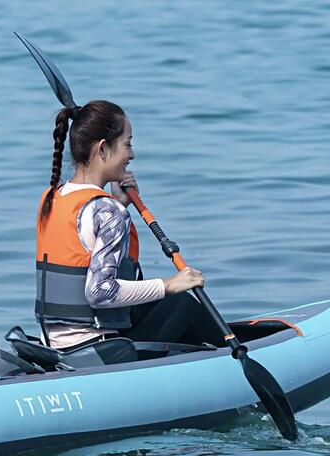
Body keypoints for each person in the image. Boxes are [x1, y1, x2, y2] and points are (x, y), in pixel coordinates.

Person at [34, 101, 218, 350]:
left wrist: (121, 204)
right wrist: (169, 285)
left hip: (55, 344)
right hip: (99, 348)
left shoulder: (52, 197)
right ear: (102, 149)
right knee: (182, 303)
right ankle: (233, 355)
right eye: (127, 144)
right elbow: (100, 291)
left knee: (151, 304)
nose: (131, 155)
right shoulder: (108, 211)